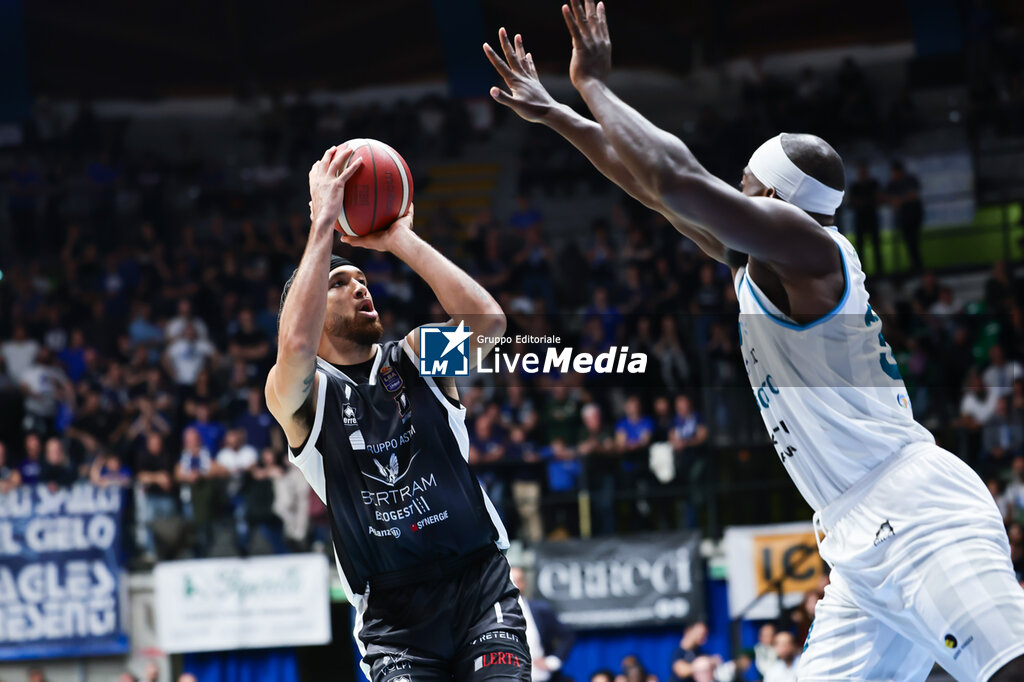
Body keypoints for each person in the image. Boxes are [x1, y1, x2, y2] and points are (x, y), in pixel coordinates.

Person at [483, 4, 1024, 678]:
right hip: (857, 542)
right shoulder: (764, 264)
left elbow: (678, 179)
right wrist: (557, 114)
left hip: (916, 514)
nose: (730, 191)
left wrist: (592, 85)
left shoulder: (811, 249)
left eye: (742, 185)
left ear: (770, 196)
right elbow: (656, 192)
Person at [265, 143, 528, 682]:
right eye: (340, 282)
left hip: (479, 586)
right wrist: (322, 224)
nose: (360, 287)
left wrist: (401, 239)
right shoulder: (303, 396)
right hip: (395, 621)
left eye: (363, 279)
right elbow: (293, 347)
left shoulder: (416, 357)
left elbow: (490, 327)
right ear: (311, 309)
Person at [510, 567, 575, 682]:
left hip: (541, 677)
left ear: (524, 583)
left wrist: (553, 662)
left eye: (518, 580)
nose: (514, 585)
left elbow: (567, 634)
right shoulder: (491, 613)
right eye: (510, 581)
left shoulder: (540, 610)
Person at [885, 160, 924, 272]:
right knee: (908, 241)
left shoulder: (910, 180)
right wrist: (893, 200)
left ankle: (918, 265)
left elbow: (914, 194)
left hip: (914, 215)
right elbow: (885, 197)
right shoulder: (892, 183)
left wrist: (900, 200)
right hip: (903, 218)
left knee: (914, 240)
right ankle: (914, 264)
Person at [847, 161, 882, 274]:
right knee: (860, 248)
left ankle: (879, 270)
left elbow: (878, 199)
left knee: (876, 245)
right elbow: (851, 203)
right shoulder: (855, 186)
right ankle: (862, 272)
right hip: (860, 219)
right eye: (861, 171)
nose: (863, 173)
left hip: (872, 218)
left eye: (864, 171)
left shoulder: (873, 184)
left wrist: (863, 202)